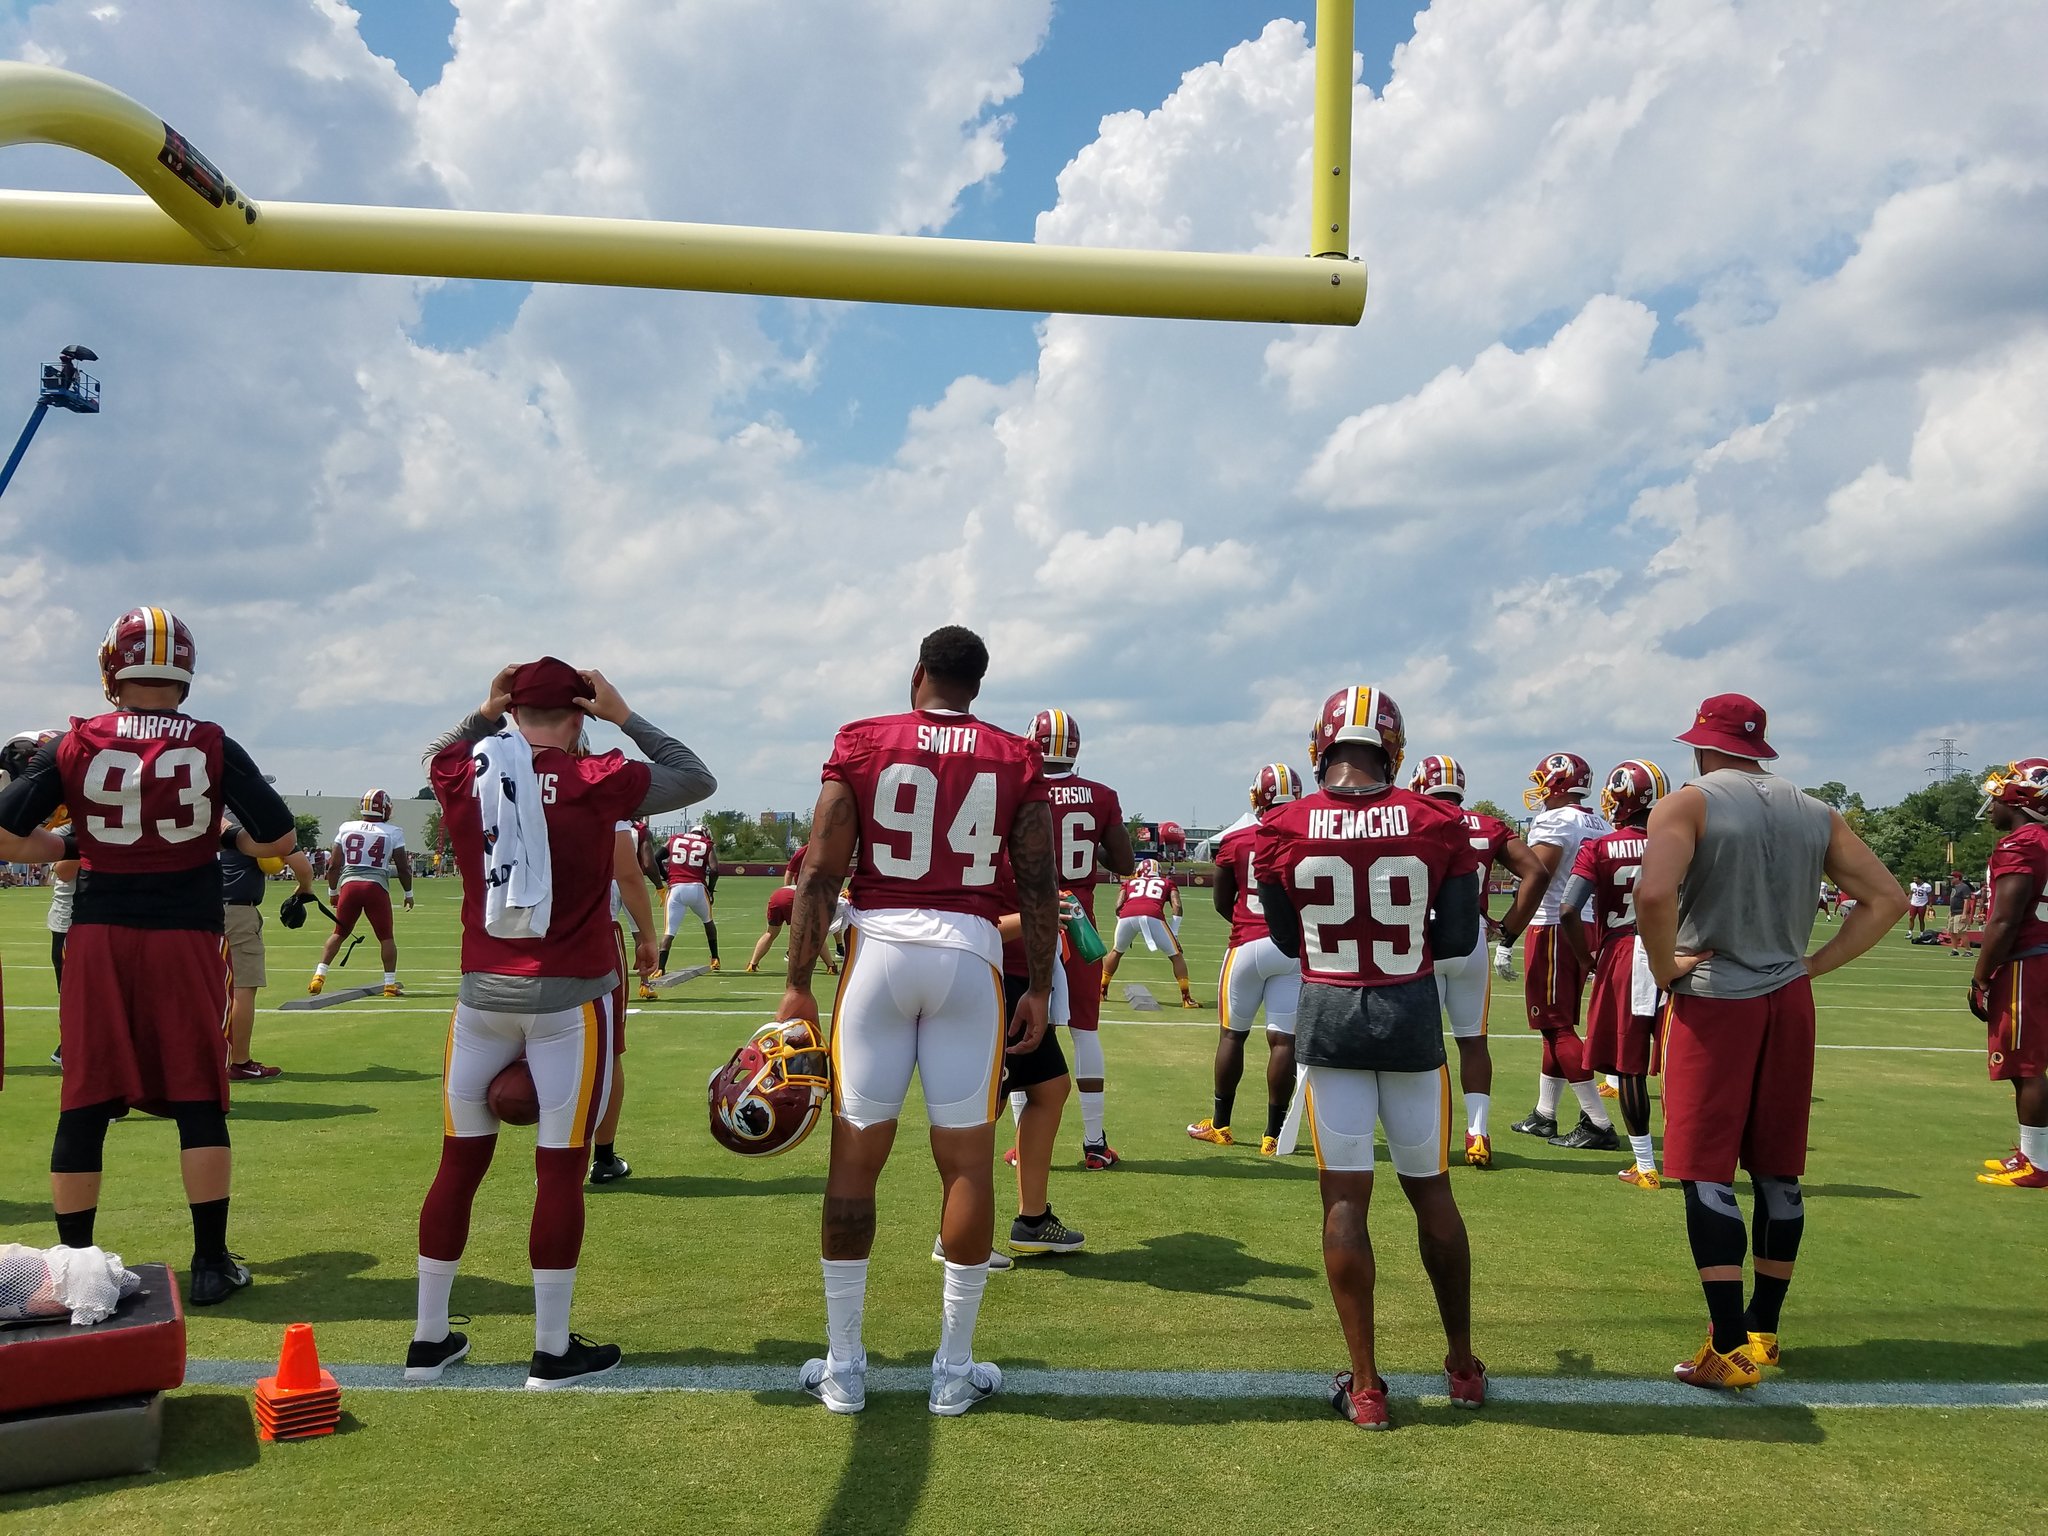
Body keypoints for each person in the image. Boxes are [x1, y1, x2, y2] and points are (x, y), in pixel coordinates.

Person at [406, 659, 713, 1390]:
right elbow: (695, 778)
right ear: (580, 713)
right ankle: (550, 1350)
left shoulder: (466, 772)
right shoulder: (598, 774)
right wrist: (624, 715)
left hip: (480, 996)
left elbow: (436, 757)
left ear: (512, 713)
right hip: (568, 999)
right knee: (560, 1171)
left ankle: (428, 1340)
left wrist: (486, 712)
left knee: (457, 1165)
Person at [778, 625, 1058, 1419]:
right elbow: (1037, 885)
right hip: (970, 957)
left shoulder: (866, 741)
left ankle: (843, 1369)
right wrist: (1037, 982)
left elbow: (822, 868)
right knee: (966, 1166)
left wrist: (798, 982)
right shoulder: (1012, 755)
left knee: (852, 1165)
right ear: (978, 685)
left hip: (880, 955)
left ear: (917, 677)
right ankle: (952, 1370)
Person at [0, 607, 297, 1308]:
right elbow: (278, 836)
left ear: (113, 669)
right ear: (185, 671)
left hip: (100, 934)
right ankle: (209, 1262)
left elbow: (8, 836)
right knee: (199, 1100)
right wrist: (223, 841)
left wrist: (72, 847)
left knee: (85, 1103)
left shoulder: (75, 742)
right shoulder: (213, 743)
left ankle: (73, 1270)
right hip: (187, 936)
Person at [1638, 692, 1905, 1390]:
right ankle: (1764, 1330)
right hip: (1789, 1000)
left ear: (1701, 742)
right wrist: (1814, 963)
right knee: (1779, 1171)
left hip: (1717, 997)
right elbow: (1887, 899)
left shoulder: (1689, 802)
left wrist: (1667, 968)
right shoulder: (1815, 809)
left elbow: (1653, 895)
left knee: (1705, 1171)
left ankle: (1725, 1347)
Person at [1254, 685, 1485, 1431]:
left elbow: (1290, 942)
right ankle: (1461, 1367)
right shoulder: (1437, 821)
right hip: (1409, 1013)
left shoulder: (1282, 824)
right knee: (1432, 1193)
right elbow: (1453, 941)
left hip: (1329, 1017)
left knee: (1346, 1200)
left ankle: (1365, 1386)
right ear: (1394, 742)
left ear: (1320, 743)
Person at [1408, 754, 1546, 1168]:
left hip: (1422, 944)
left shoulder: (1412, 821)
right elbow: (1536, 872)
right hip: (1471, 944)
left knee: (1423, 1045)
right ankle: (1478, 1133)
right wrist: (1508, 928)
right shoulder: (1486, 827)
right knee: (1473, 1041)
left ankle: (1430, 1133)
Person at [1026, 708, 1135, 1169]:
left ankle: (1022, 1143)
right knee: (1085, 1030)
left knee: (1028, 1031)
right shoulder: (1101, 795)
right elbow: (1125, 863)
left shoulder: (1019, 785)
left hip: (1027, 918)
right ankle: (1094, 1143)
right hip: (1079, 920)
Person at [1497, 752, 1617, 1149]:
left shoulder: (1554, 821)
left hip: (1553, 925)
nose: (1538, 789)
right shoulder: (1600, 822)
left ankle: (1597, 1123)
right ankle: (1545, 1114)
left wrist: (1507, 934)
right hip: (1587, 925)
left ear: (1559, 783)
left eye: (1543, 781)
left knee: (1556, 1025)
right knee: (1556, 1022)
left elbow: (1538, 876)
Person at [1560, 761, 1668, 1187]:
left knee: (1630, 1067)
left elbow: (1569, 908)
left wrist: (1586, 957)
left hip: (1625, 954)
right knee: (1679, 1060)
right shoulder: (1682, 843)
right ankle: (1691, 1157)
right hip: (1678, 951)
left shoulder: (1601, 846)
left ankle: (1645, 1165)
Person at [1188, 763, 1305, 1156]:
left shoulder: (1237, 840)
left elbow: (1222, 901)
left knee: (1233, 1035)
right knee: (1282, 1041)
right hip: (1292, 949)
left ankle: (1221, 1125)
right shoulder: (1308, 838)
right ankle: (1273, 1134)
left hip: (1246, 943)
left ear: (1257, 797)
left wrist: (1245, 924)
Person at [1970, 759, 2048, 1190]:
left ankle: (2037, 1164)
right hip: (2042, 956)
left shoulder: (2022, 844)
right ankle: (2030, 1153)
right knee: (2030, 1062)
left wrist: (1982, 976)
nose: (1992, 803)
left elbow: (2004, 920)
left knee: (2026, 1063)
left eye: (1998, 795)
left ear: (2019, 797)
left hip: (2028, 961)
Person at [219, 816, 316, 1080]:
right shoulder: (255, 820)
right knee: (242, 987)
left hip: (192, 911)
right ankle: (238, 1062)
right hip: (237, 910)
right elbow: (302, 866)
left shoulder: (203, 811)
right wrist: (303, 890)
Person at [595, 812, 660, 1181]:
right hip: (595, 935)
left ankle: (555, 1156)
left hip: (522, 938)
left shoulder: (513, 785)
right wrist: (645, 935)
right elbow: (630, 874)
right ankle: (603, 1157)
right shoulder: (604, 801)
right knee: (606, 1053)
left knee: (547, 1048)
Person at [308, 789, 414, 997]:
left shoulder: (347, 827)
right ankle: (389, 985)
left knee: (338, 933)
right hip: (376, 887)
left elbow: (333, 866)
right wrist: (408, 893)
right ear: (384, 808)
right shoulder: (393, 832)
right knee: (386, 937)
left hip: (349, 886)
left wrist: (332, 891)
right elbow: (403, 868)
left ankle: (319, 976)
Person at [1099, 860, 1197, 1008]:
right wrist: (1174, 932)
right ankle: (1186, 998)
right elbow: (1177, 906)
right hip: (1153, 915)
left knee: (1116, 951)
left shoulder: (1129, 883)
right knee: (1176, 955)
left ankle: (1102, 991)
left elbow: (1118, 906)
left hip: (1127, 915)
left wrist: (1122, 924)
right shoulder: (1167, 883)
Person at [655, 822, 720, 974]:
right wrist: (710, 889)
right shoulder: (706, 843)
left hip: (676, 889)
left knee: (669, 931)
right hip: (697, 889)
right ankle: (715, 958)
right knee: (708, 922)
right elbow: (715, 870)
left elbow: (656, 857)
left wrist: (666, 877)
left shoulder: (674, 839)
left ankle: (660, 968)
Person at [1945, 871, 1976, 955]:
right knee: (1952, 931)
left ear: (1957, 878)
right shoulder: (1954, 887)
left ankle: (1968, 950)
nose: (1951, 880)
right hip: (1953, 912)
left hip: (1960, 912)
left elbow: (1966, 901)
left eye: (1952, 878)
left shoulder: (1964, 887)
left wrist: (1964, 914)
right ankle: (1955, 949)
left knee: (1961, 932)